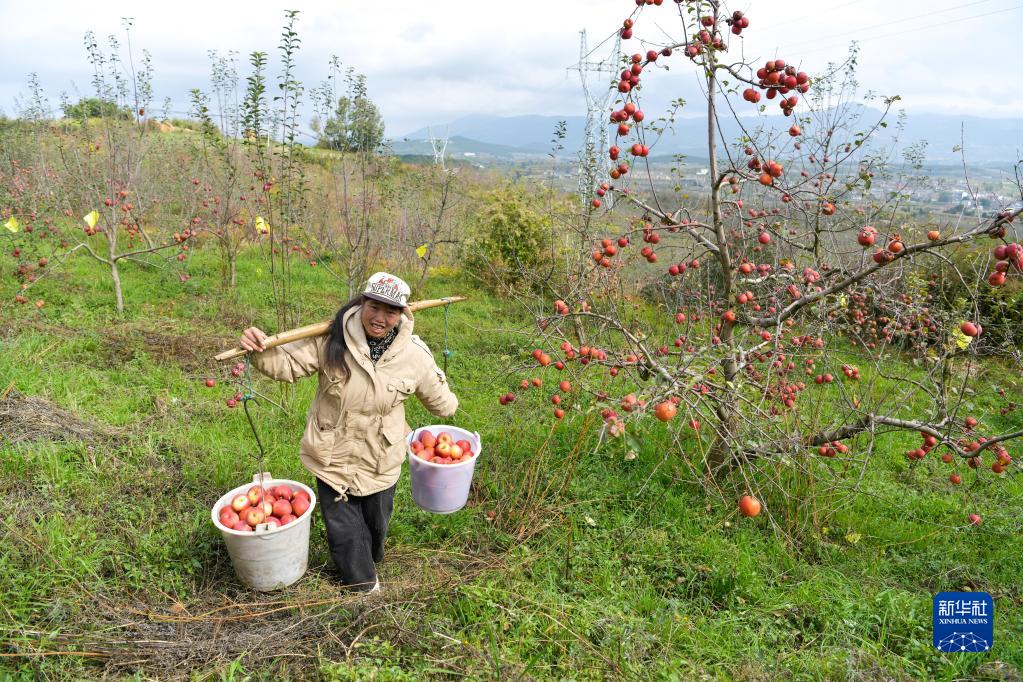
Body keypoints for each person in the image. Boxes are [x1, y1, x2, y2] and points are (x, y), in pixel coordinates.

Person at [238, 272, 458, 592]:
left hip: (379, 457)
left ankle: (370, 557)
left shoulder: (414, 356)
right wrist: (260, 349)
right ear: (362, 302)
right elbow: (287, 366)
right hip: (332, 454)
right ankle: (363, 587)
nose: (380, 318)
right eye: (374, 307)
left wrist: (447, 401)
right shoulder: (332, 338)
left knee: (375, 526)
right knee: (345, 530)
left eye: (391, 311)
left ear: (402, 314)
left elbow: (443, 405)